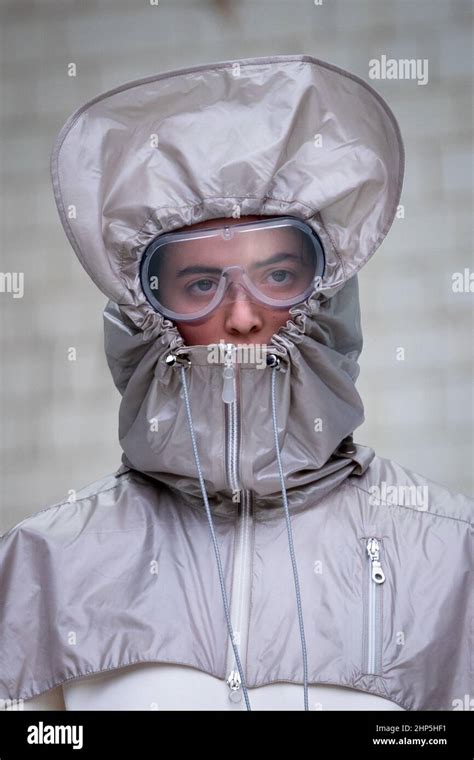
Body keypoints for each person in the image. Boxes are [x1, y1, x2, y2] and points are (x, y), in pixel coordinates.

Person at [0, 54, 472, 712]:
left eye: (278, 275)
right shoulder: (44, 564)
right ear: (143, 311)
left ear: (330, 290)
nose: (243, 317)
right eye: (200, 284)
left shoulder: (450, 555)